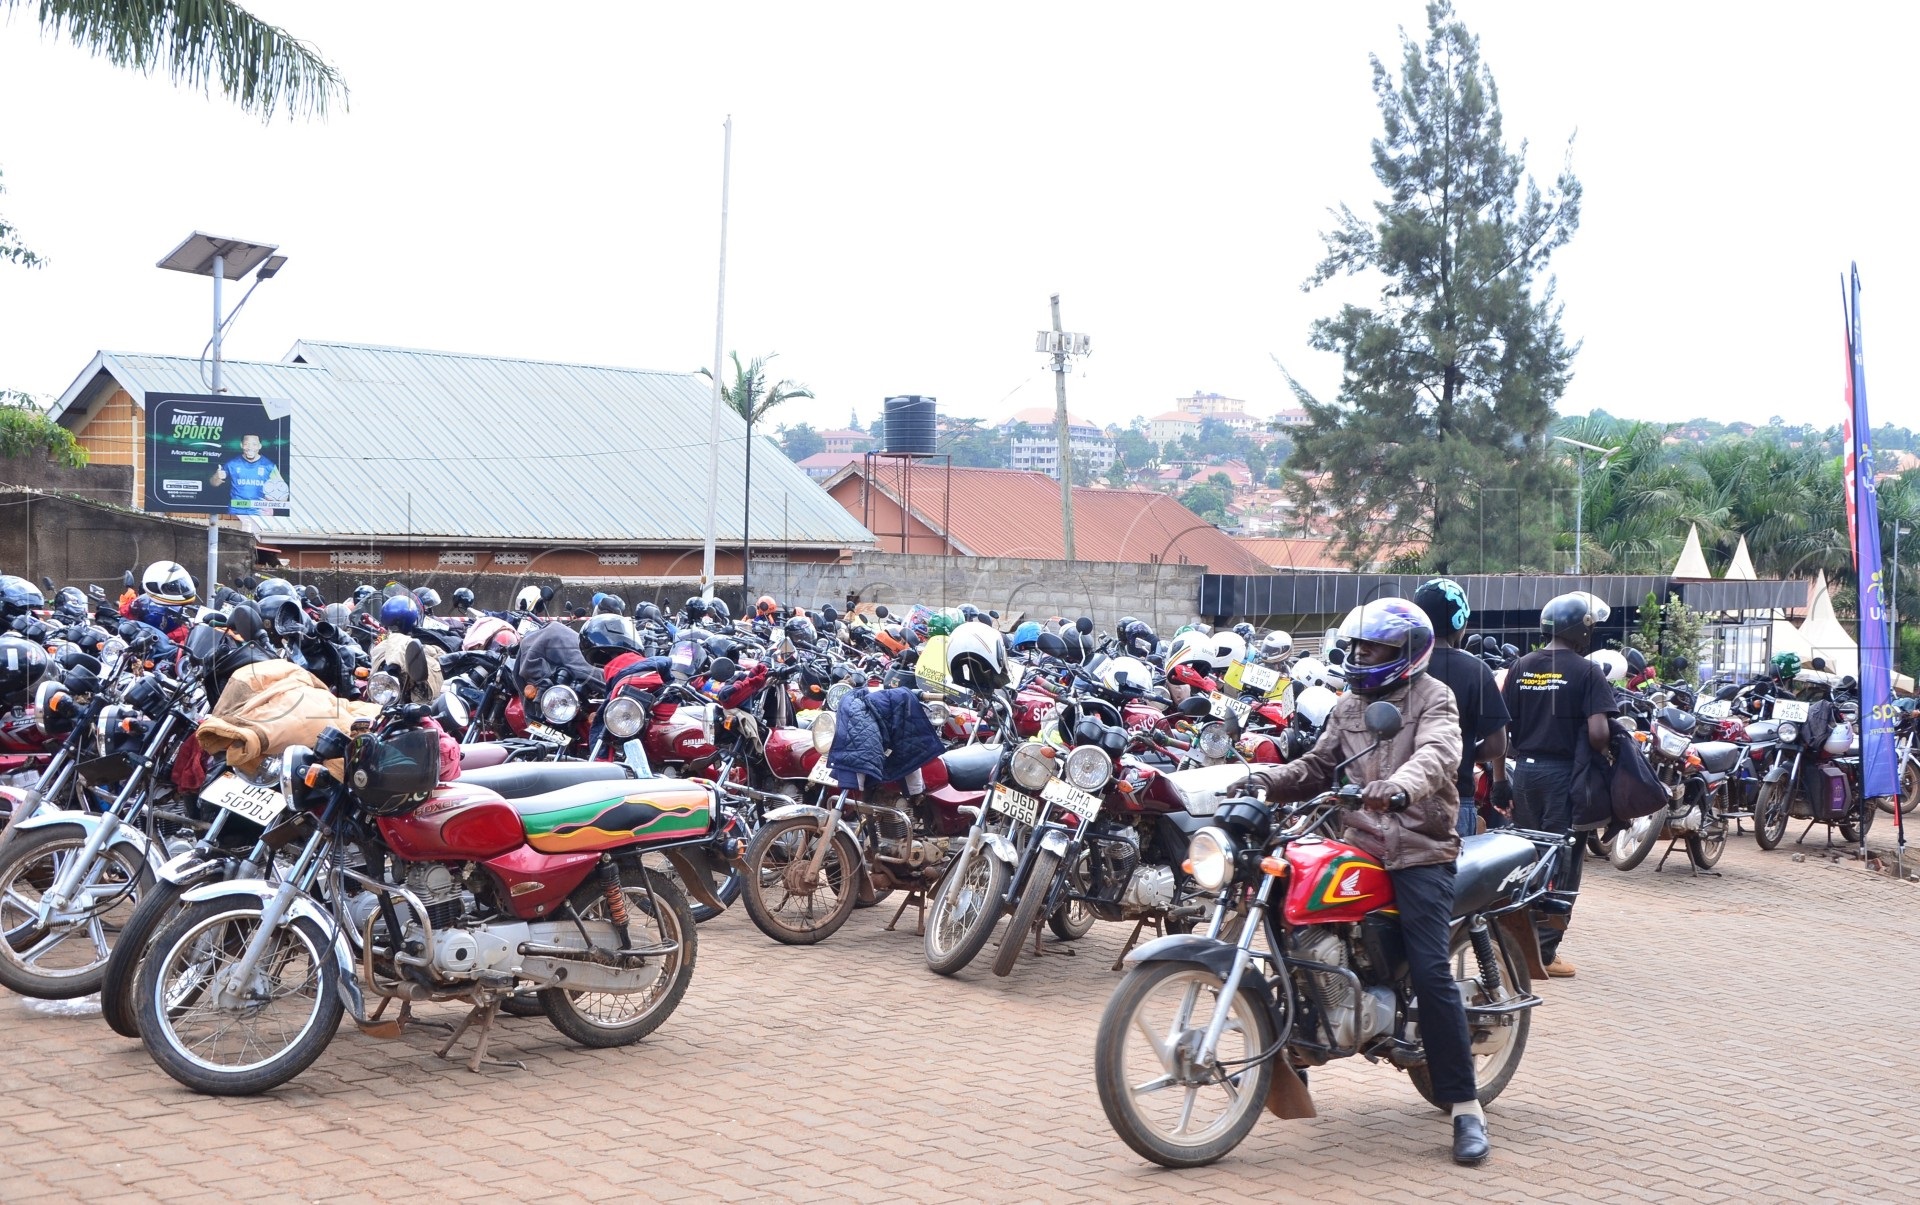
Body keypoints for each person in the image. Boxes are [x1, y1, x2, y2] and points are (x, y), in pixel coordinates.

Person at [1241, 598, 1489, 1166]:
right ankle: (1304, 1037)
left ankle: (1465, 1107)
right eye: (1355, 646)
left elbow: (1439, 754)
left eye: (1371, 648)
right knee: (1288, 911)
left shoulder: (1435, 698)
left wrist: (1399, 787)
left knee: (1430, 971)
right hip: (1358, 842)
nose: (1359, 656)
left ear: (1404, 653)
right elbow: (1315, 767)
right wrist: (1257, 779)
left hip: (1420, 849)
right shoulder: (1351, 703)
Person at [1500, 592, 1618, 979]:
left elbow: (1504, 732)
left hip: (1526, 775)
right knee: (1564, 862)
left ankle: (1517, 946)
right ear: (1579, 631)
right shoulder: (1587, 672)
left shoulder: (1520, 666)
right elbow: (1599, 733)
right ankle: (1545, 953)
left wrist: (1505, 777)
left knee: (1530, 859)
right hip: (1565, 776)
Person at [1413, 579, 1510, 837]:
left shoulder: (1397, 668)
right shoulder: (1476, 671)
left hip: (1398, 800)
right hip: (1455, 800)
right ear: (1459, 622)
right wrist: (1464, 754)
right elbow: (1497, 745)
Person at [209, 433, 288, 514]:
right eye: (246, 444)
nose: (250, 448)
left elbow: (283, 494)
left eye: (254, 444)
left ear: (259, 446)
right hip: (236, 510)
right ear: (241, 445)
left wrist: (273, 502)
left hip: (260, 512)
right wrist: (217, 477)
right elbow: (213, 483)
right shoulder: (232, 464)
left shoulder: (269, 466)